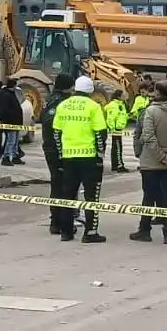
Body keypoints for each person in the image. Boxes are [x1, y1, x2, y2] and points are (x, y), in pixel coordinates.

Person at [130, 79, 167, 244]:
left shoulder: (151, 112)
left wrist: (161, 157)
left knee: (148, 197)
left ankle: (144, 230)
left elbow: (148, 137)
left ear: (157, 92)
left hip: (150, 163)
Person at [52, 75, 108, 244]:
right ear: (90, 91)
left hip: (69, 158)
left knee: (68, 195)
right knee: (92, 197)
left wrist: (61, 155)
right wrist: (100, 155)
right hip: (89, 158)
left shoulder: (63, 105)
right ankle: (90, 232)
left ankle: (66, 232)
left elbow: (56, 133)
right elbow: (100, 133)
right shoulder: (94, 106)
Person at [40, 81, 73, 236]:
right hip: (58, 149)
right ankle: (60, 222)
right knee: (63, 186)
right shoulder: (60, 103)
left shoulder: (49, 100)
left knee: (56, 184)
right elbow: (55, 128)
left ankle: (56, 220)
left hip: (49, 147)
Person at [0, 79, 25, 166]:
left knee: (15, 141)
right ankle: (6, 157)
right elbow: (2, 109)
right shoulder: (6, 95)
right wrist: (1, 119)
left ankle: (14, 156)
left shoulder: (10, 94)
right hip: (11, 121)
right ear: (13, 86)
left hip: (15, 122)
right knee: (11, 140)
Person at [105, 88, 131, 172]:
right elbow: (111, 118)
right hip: (116, 129)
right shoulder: (114, 105)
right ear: (119, 96)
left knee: (116, 147)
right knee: (118, 147)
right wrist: (112, 128)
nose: (125, 97)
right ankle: (119, 165)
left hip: (119, 128)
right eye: (123, 95)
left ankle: (115, 164)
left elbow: (122, 115)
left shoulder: (121, 104)